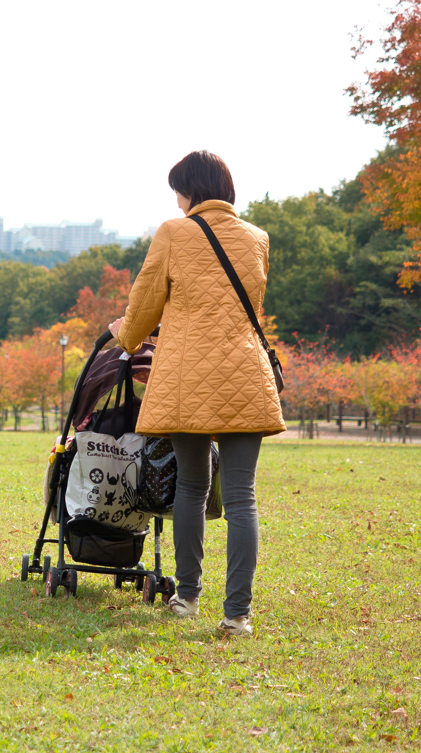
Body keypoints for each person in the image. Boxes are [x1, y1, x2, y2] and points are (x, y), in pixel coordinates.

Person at [109, 150, 285, 636]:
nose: (179, 201)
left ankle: (186, 597)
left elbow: (145, 305)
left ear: (191, 190)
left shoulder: (174, 232)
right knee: (243, 496)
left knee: (191, 485)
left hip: (188, 374)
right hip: (245, 375)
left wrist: (123, 334)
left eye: (179, 191)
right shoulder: (258, 238)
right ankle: (238, 615)